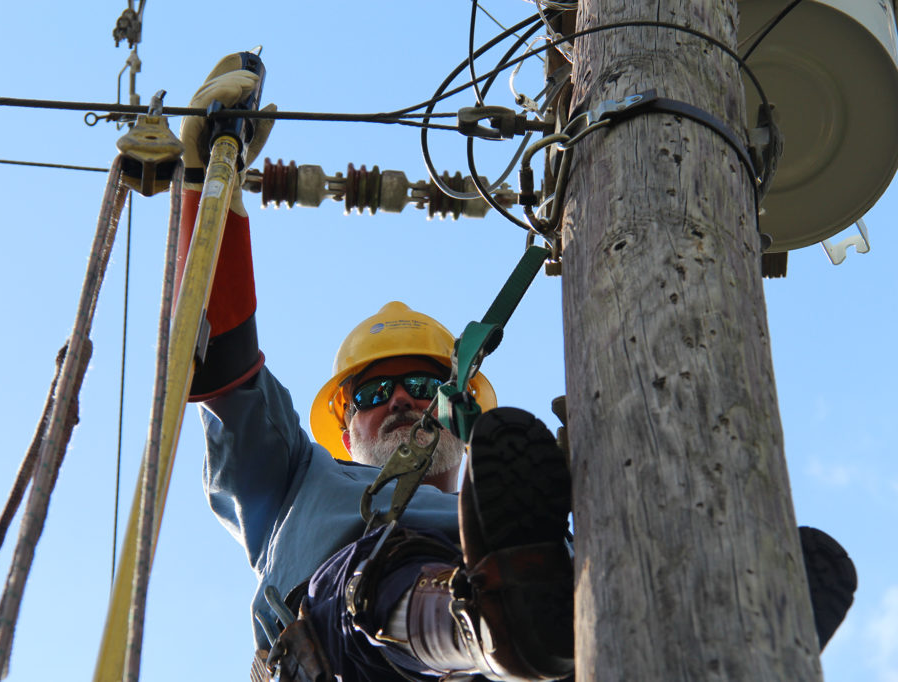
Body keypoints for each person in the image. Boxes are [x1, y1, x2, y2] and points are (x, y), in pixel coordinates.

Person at [176, 56, 856, 681]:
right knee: (383, 583)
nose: (403, 402)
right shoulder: (297, 481)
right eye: (376, 391)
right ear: (343, 425)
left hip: (512, 635)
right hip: (348, 646)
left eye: (421, 385)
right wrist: (209, 179)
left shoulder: (512, 522)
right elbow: (226, 373)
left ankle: (730, 636)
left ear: (458, 406)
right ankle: (480, 624)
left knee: (583, 586)